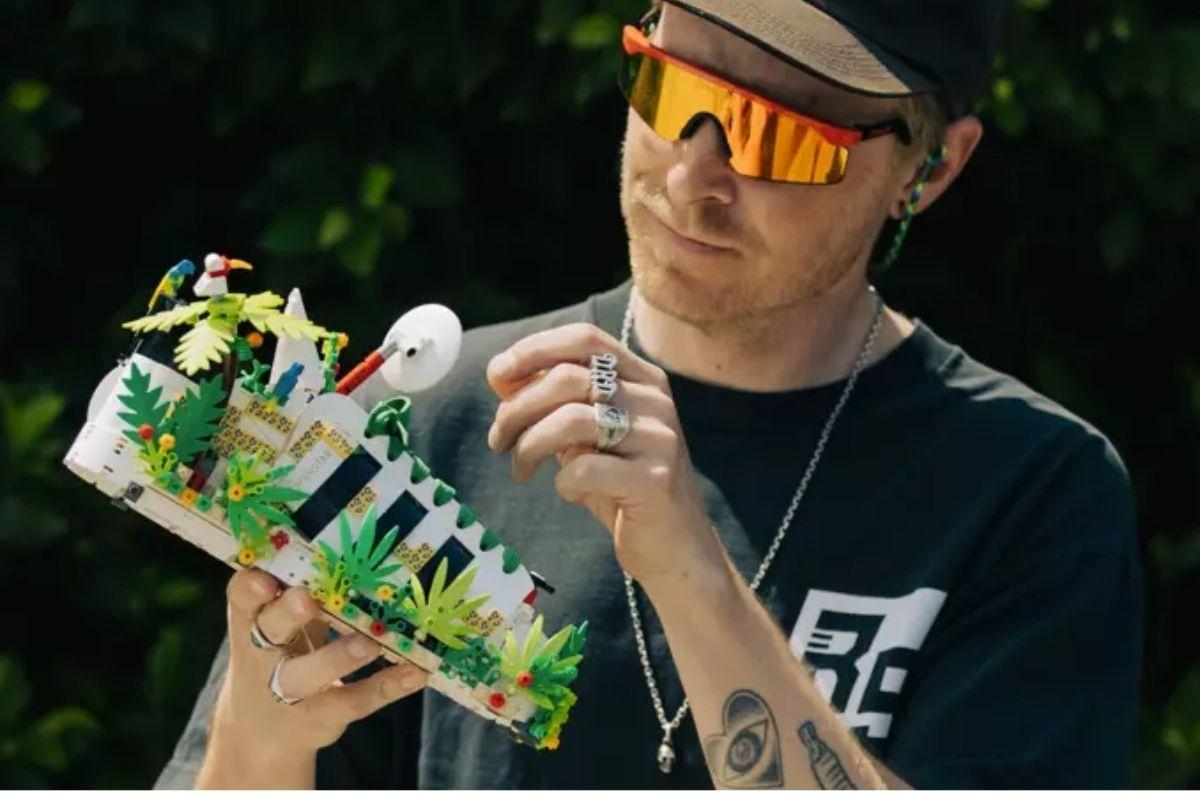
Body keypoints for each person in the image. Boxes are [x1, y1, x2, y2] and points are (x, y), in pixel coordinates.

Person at [156, 0, 1143, 789]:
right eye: (671, 87)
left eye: (779, 136)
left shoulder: (1035, 491)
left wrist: (696, 576)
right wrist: (259, 737)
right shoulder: (436, 411)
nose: (695, 174)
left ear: (930, 169)